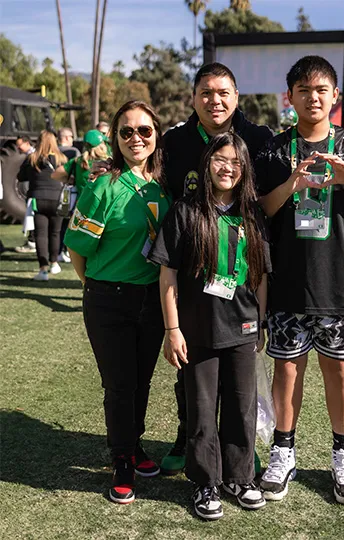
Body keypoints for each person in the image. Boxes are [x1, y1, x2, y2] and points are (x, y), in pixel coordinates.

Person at [255, 56, 344, 505]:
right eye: (303, 89)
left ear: (335, 96)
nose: (312, 97)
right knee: (287, 370)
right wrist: (292, 184)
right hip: (288, 284)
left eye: (321, 89)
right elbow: (260, 209)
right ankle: (283, 451)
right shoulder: (276, 151)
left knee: (339, 372)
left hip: (340, 283)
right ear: (290, 97)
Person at [160, 62, 273, 475]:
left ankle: (240, 451)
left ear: (236, 96)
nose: (215, 100)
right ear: (194, 98)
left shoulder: (260, 139)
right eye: (206, 92)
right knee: (193, 374)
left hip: (243, 273)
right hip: (191, 276)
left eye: (223, 92)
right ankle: (187, 434)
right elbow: (149, 175)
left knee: (238, 381)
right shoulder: (174, 141)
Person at [150, 132, 271, 520]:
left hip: (244, 328)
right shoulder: (186, 211)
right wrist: (173, 330)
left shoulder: (252, 213)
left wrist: (261, 323)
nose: (228, 168)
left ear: (244, 169)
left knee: (241, 407)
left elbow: (260, 276)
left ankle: (240, 478)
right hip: (197, 330)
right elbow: (167, 275)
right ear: (207, 164)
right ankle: (206, 482)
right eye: (220, 159)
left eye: (236, 162)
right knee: (201, 410)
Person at [64, 100, 170, 504]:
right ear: (115, 138)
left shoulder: (164, 184)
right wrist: (94, 285)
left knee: (141, 382)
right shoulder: (102, 184)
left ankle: (135, 444)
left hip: (151, 299)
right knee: (120, 385)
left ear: (156, 135)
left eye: (144, 130)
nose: (136, 138)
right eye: (126, 131)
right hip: (108, 298)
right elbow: (77, 247)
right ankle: (121, 457)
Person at [52, 130, 111, 262]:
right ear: (101, 144)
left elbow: (55, 174)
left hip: (82, 207)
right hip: (104, 207)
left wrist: (71, 179)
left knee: (81, 242)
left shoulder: (77, 161)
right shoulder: (108, 163)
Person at [17, 130, 67, 281]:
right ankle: (54, 262)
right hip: (57, 199)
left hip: (38, 199)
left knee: (41, 234)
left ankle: (43, 270)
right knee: (55, 233)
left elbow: (21, 177)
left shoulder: (32, 158)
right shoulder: (61, 158)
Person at [15, 136, 37, 254]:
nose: (18, 148)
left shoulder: (32, 157)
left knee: (33, 216)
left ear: (27, 143)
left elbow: (22, 175)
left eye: (20, 145)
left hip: (35, 192)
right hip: (32, 191)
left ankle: (32, 241)